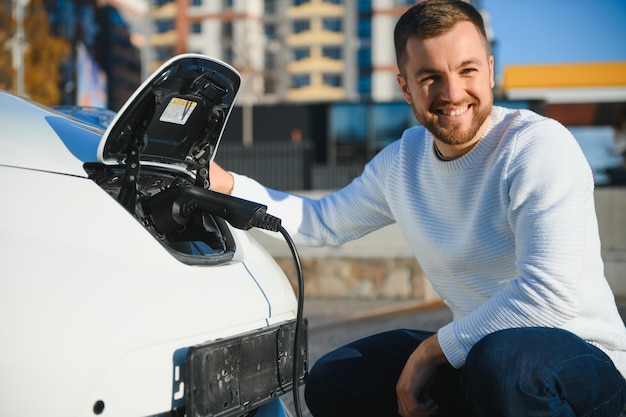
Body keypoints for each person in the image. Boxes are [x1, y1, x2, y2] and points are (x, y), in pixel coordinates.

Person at [209, 0, 626, 415]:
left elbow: (548, 296)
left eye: (467, 70)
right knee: (337, 377)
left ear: (490, 70)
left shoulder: (537, 147)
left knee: (504, 363)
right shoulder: (403, 162)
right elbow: (321, 222)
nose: (452, 93)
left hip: (582, 367)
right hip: (483, 361)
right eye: (430, 77)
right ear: (405, 87)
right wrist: (225, 184)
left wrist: (431, 351)